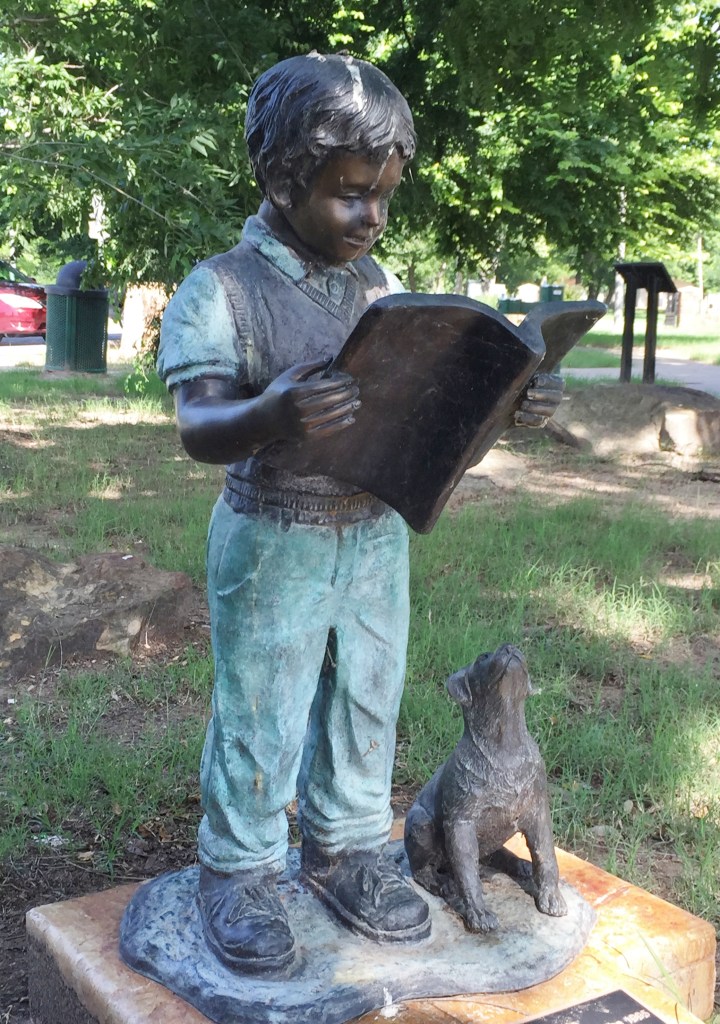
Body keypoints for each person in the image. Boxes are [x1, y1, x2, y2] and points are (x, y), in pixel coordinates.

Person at [157, 51, 561, 974]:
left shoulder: (379, 289)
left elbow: (422, 431)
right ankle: (242, 868)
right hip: (274, 536)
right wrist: (268, 413)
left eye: (383, 197)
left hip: (374, 532)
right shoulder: (222, 290)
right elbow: (198, 423)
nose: (370, 217)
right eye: (349, 194)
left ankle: (343, 847)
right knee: (263, 705)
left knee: (365, 700)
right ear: (282, 176)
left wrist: (501, 405)